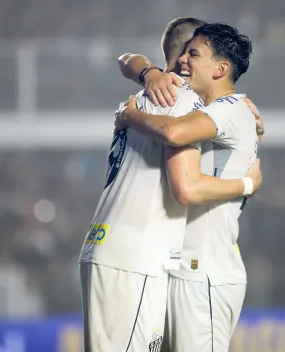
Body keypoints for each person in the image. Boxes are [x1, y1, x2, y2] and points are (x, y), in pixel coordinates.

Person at [78, 18, 262, 352]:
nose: (189, 60)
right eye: (191, 51)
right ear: (181, 59)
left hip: (148, 255)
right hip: (141, 257)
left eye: (198, 53)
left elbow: (128, 60)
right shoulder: (180, 103)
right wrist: (247, 183)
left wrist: (141, 79)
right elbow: (187, 187)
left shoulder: (145, 98)